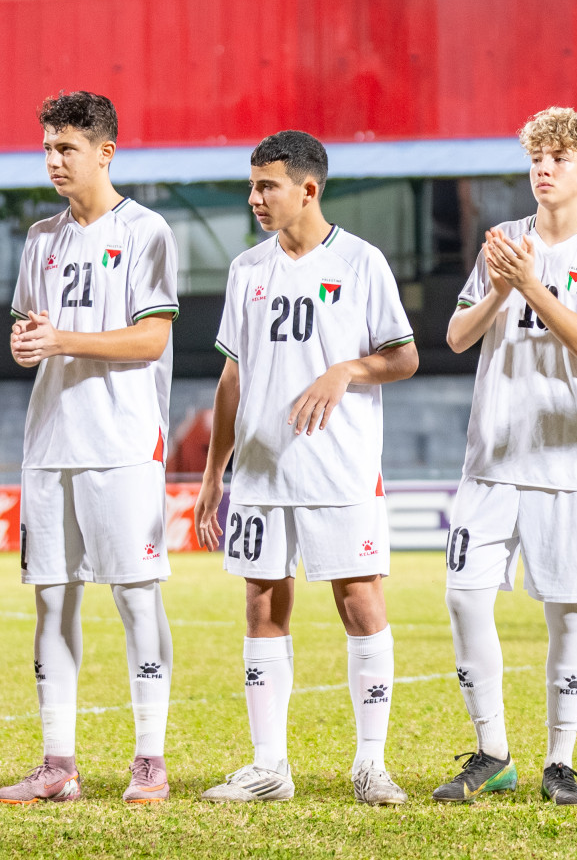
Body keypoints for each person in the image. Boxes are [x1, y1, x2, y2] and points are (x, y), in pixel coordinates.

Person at [193, 131, 419, 806]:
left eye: (268, 185)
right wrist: (214, 475)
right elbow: (232, 380)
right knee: (262, 605)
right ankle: (269, 767)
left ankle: (371, 764)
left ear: (308, 188)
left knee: (360, 602)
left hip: (338, 470)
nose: (256, 198)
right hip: (261, 475)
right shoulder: (247, 270)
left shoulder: (360, 262)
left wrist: (347, 369)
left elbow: (403, 358)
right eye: (253, 185)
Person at [433, 108, 577, 807]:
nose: (543, 167)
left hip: (570, 460)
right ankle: (493, 750)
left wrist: (531, 286)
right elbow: (458, 337)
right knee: (463, 597)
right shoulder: (503, 243)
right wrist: (497, 286)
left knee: (567, 613)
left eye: (558, 156)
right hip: (492, 455)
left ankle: (560, 759)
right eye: (536, 157)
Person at [2, 92, 180, 805]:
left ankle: (150, 760)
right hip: (49, 443)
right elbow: (28, 336)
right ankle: (58, 764)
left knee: (137, 599)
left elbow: (153, 339)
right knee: (53, 600)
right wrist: (26, 346)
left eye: (66, 148)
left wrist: (62, 340)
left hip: (123, 443)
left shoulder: (146, 231)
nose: (53, 160)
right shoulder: (40, 238)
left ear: (105, 151)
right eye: (47, 146)